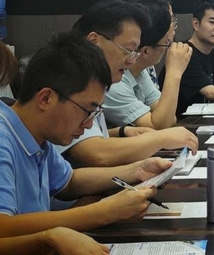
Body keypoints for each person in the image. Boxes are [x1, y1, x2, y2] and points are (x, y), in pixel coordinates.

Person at [0, 32, 172, 236]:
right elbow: (3, 228)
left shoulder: (37, 134)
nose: (89, 124)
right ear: (46, 98)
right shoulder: (4, 137)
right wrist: (104, 212)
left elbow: (69, 182)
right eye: (87, 111)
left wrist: (138, 170)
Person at [57, 0, 197, 168]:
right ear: (94, 41)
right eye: (128, 50)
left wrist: (122, 132)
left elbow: (86, 140)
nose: (132, 60)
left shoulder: (98, 80)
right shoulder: (69, 80)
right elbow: (95, 152)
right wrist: (160, 139)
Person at [102, 0, 192, 130]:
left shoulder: (141, 70)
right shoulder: (114, 81)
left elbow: (169, 118)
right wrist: (174, 73)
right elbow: (159, 126)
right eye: (167, 44)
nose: (173, 30)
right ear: (145, 51)